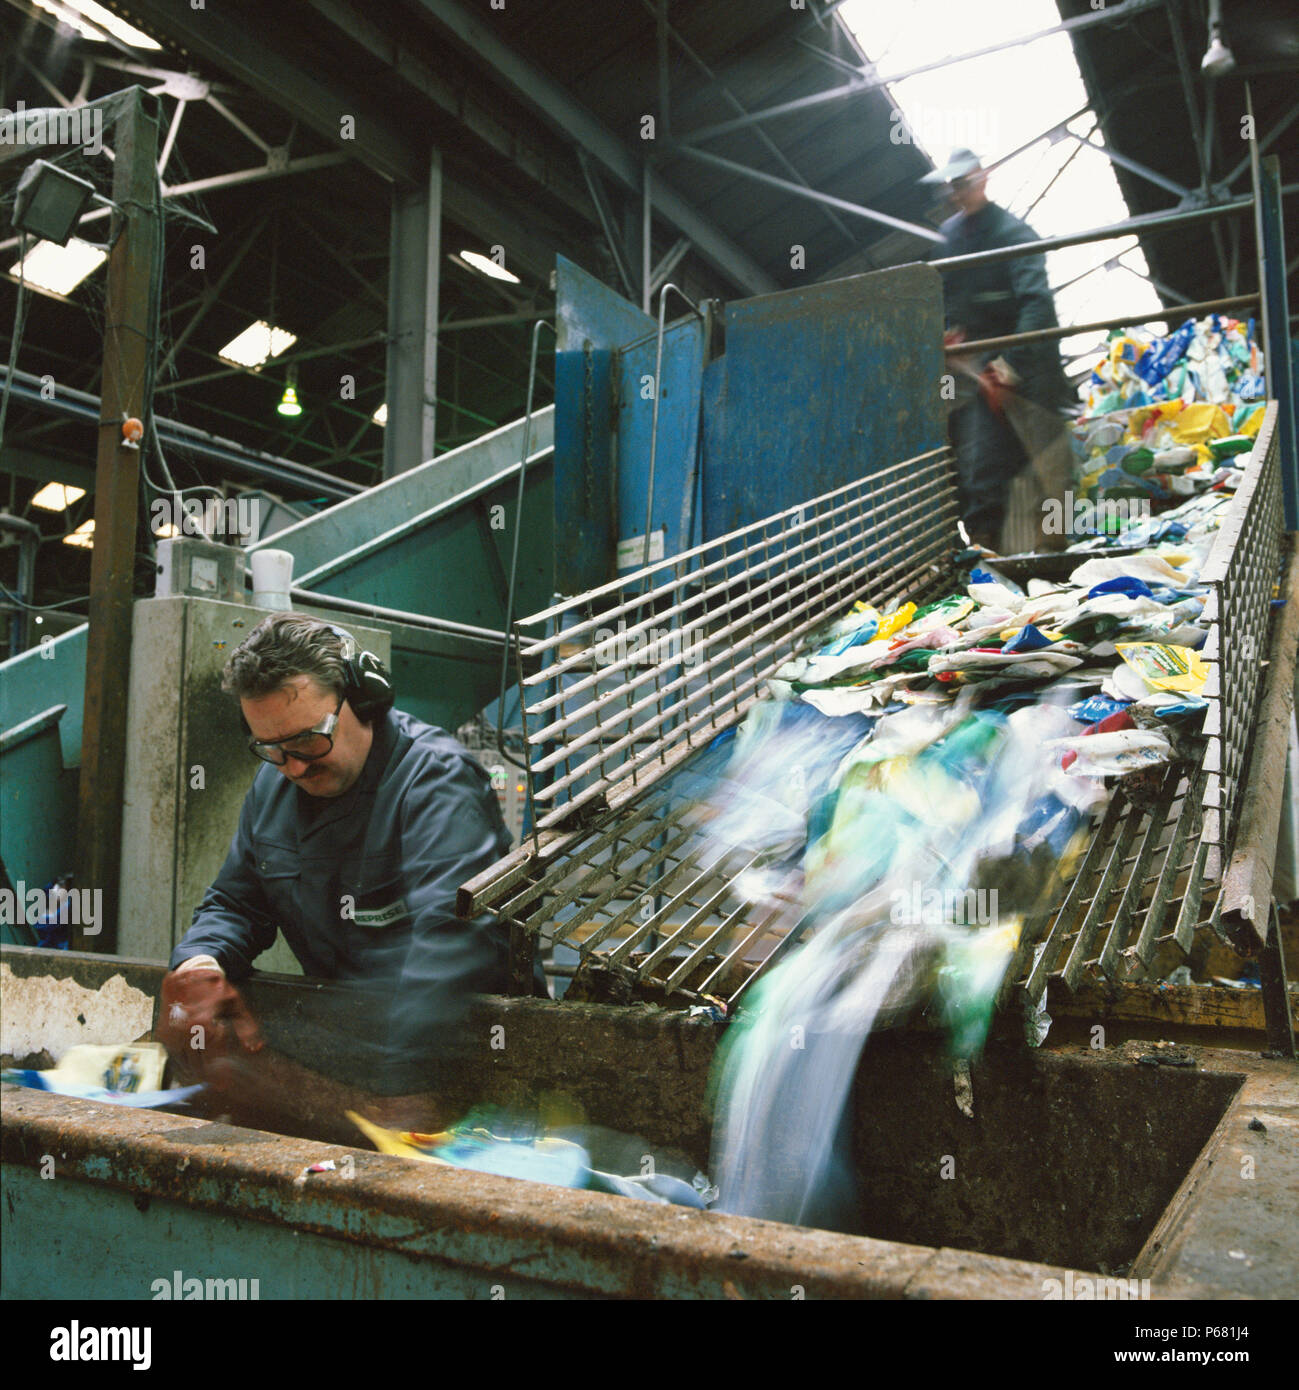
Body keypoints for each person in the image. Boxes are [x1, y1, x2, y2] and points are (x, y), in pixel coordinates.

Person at [156, 612, 523, 1134]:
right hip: (356, 1057)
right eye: (271, 748)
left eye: (308, 740)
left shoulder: (435, 781)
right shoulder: (273, 788)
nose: (293, 769)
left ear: (365, 700)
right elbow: (234, 903)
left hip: (478, 1064)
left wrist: (400, 1088)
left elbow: (450, 940)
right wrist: (199, 966)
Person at [925, 149, 1073, 552]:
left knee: (1045, 456)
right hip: (978, 368)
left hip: (1028, 362)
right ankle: (985, 548)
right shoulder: (949, 239)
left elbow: (1037, 304)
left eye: (964, 184)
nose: (958, 194)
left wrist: (1009, 364)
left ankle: (1054, 549)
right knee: (982, 464)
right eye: (952, 187)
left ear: (984, 177)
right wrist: (948, 335)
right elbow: (946, 299)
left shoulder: (1015, 234)